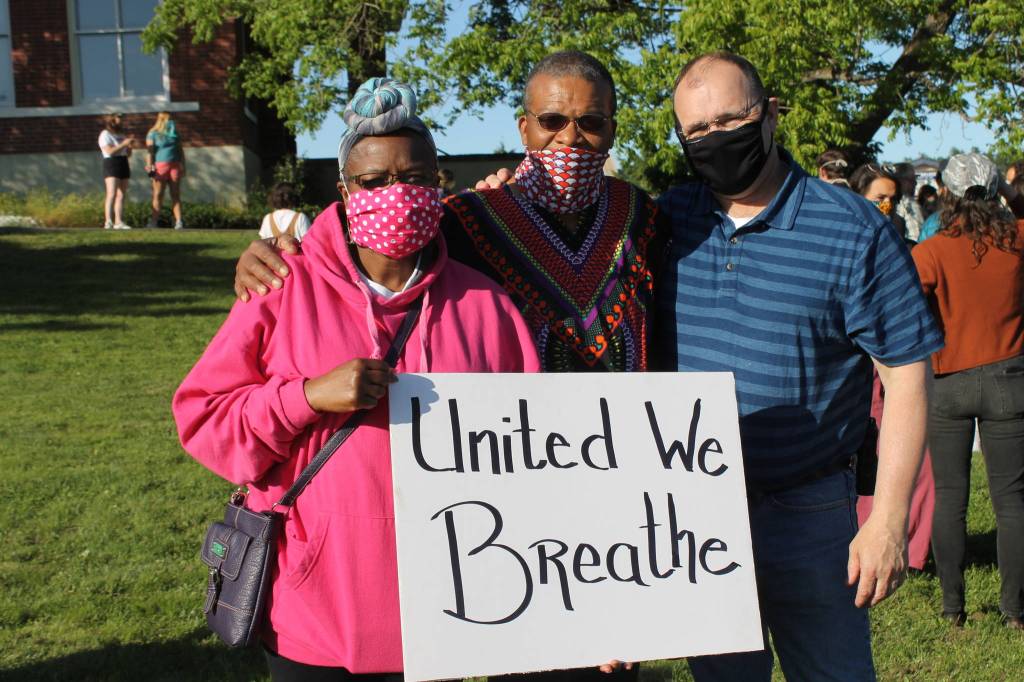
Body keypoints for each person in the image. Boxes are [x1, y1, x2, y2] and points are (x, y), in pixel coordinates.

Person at [172, 78, 541, 680]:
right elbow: (204, 419)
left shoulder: (486, 307)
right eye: (374, 182)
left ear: (439, 184)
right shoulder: (278, 286)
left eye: (416, 178)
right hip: (313, 616)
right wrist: (306, 398)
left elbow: (536, 458)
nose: (396, 194)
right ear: (344, 189)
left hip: (451, 612)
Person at [659, 51, 943, 680]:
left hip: (811, 512)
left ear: (770, 116)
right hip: (698, 518)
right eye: (696, 131)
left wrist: (890, 519)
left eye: (730, 119)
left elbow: (905, 374)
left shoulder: (853, 229)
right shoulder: (667, 220)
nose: (715, 140)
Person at [235, 50, 662, 376]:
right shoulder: (464, 219)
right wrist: (279, 252)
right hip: (514, 444)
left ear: (612, 129)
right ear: (524, 128)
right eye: (551, 120)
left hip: (627, 447)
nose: (570, 137)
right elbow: (373, 259)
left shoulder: (642, 214)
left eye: (591, 121)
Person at [911, 152, 1024, 630]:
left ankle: (953, 608)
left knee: (952, 496)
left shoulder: (931, 250)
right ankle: (1015, 609)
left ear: (949, 194)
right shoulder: (1019, 239)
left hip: (949, 380)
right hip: (1010, 379)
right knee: (1013, 501)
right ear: (998, 187)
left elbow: (909, 315)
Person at [852, 165, 937, 573]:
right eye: (878, 197)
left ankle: (911, 542)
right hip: (856, 369)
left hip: (895, 362)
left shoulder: (900, 239)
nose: (886, 204)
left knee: (912, 454)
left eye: (891, 197)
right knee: (868, 447)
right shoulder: (849, 238)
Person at [145, 111, 186, 229]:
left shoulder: (175, 134)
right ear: (162, 119)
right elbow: (150, 153)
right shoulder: (152, 134)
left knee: (175, 194)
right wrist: (150, 169)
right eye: (169, 119)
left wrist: (183, 166)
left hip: (175, 166)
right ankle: (153, 222)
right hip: (160, 167)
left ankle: (179, 222)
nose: (171, 121)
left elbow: (180, 151)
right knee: (158, 194)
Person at [98, 113, 134, 230]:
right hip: (111, 163)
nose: (121, 121)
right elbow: (109, 151)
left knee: (121, 194)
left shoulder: (121, 135)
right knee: (112, 193)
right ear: (112, 121)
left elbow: (128, 154)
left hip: (123, 162)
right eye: (119, 119)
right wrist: (124, 144)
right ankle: (108, 221)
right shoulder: (105, 134)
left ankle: (119, 221)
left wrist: (129, 147)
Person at [893, 162, 924, 241]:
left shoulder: (887, 202)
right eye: (912, 180)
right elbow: (917, 236)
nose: (916, 183)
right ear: (901, 180)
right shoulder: (908, 203)